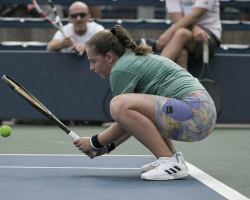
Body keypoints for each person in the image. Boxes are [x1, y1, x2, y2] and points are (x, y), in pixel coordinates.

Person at [73, 25, 216, 180]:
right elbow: (132, 121)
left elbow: (122, 115)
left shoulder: (121, 69)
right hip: (201, 114)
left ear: (109, 57)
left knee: (118, 104)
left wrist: (95, 142)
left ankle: (167, 161)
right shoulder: (132, 59)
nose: (91, 67)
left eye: (93, 61)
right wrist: (107, 146)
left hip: (194, 112)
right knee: (129, 107)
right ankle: (172, 158)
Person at [148, 0, 222, 70]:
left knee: (181, 33)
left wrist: (168, 33)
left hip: (207, 37)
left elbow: (196, 15)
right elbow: (177, 19)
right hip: (181, 35)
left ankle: (153, 76)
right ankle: (183, 83)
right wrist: (194, 28)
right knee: (181, 54)